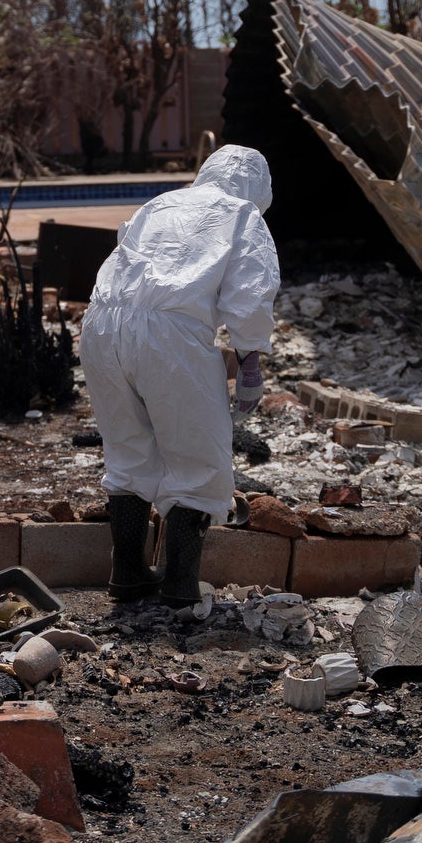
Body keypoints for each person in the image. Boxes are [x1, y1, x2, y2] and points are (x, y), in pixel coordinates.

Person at [79, 145, 281, 606]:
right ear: (257, 186)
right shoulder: (242, 214)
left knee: (128, 451)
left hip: (101, 326)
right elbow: (250, 293)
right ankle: (179, 584)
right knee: (198, 459)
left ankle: (128, 573)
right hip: (169, 337)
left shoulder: (161, 202)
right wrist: (251, 358)